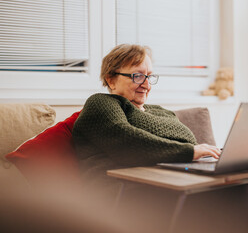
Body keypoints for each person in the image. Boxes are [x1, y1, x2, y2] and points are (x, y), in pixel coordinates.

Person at [72, 44, 221, 183]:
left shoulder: (161, 112)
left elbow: (189, 142)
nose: (147, 85)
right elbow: (127, 142)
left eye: (149, 76)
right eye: (137, 76)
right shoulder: (100, 103)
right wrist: (188, 152)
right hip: (124, 190)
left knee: (231, 187)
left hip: (168, 179)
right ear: (111, 80)